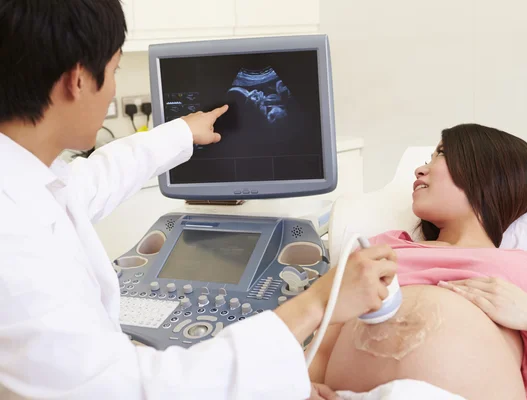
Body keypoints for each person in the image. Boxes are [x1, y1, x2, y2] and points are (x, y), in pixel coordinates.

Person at [0, 1, 398, 399]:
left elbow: (90, 180)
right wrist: (317, 303)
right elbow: (128, 389)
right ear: (79, 80)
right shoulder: (13, 243)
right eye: (114, 69)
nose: (114, 88)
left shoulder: (28, 179)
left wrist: (180, 133)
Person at [308, 124, 527, 400]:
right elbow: (321, 347)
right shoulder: (379, 247)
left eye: (441, 154)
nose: (420, 169)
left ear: (487, 171)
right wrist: (305, 387)